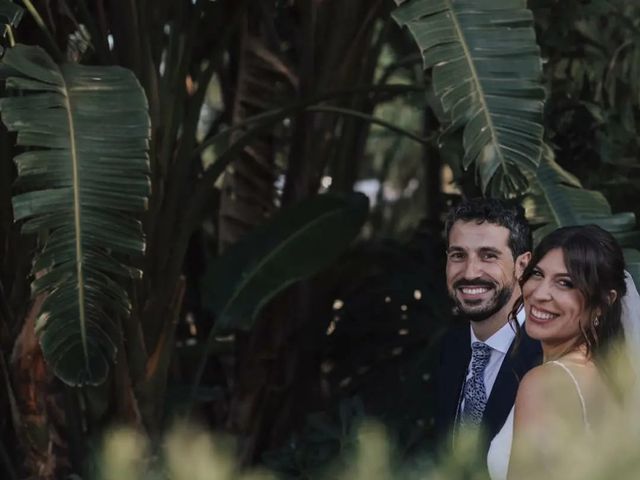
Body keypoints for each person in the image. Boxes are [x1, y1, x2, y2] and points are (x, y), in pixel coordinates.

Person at [487, 224, 633, 480]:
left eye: (565, 283)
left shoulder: (546, 383)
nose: (540, 294)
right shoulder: (611, 377)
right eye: (538, 274)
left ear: (604, 302)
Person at [435, 198, 542, 464]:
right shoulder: (451, 347)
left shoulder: (547, 354)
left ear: (522, 265)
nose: (470, 272)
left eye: (489, 256)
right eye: (458, 255)